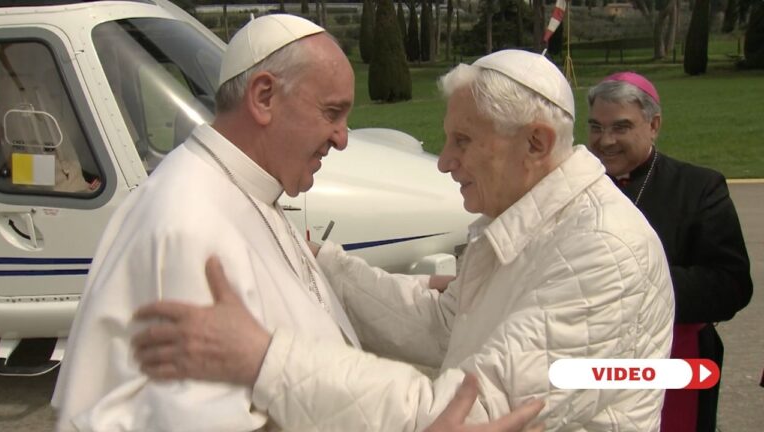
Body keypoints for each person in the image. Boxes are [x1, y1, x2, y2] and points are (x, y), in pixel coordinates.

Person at [133, 50, 675, 431]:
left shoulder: (605, 252)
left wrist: (265, 360)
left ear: (535, 143)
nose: (444, 161)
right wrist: (324, 264)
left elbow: (463, 413)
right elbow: (446, 329)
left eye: (462, 140)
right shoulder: (530, 222)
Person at [50, 14, 544, 432]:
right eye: (332, 113)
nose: (342, 139)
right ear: (264, 97)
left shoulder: (243, 189)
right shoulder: (188, 226)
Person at [585, 72, 753, 432]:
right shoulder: (574, 186)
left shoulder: (698, 188)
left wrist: (630, 284)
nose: (606, 141)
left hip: (673, 355)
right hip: (586, 355)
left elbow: (731, 285)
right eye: (596, 128)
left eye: (621, 127)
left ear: (654, 124)